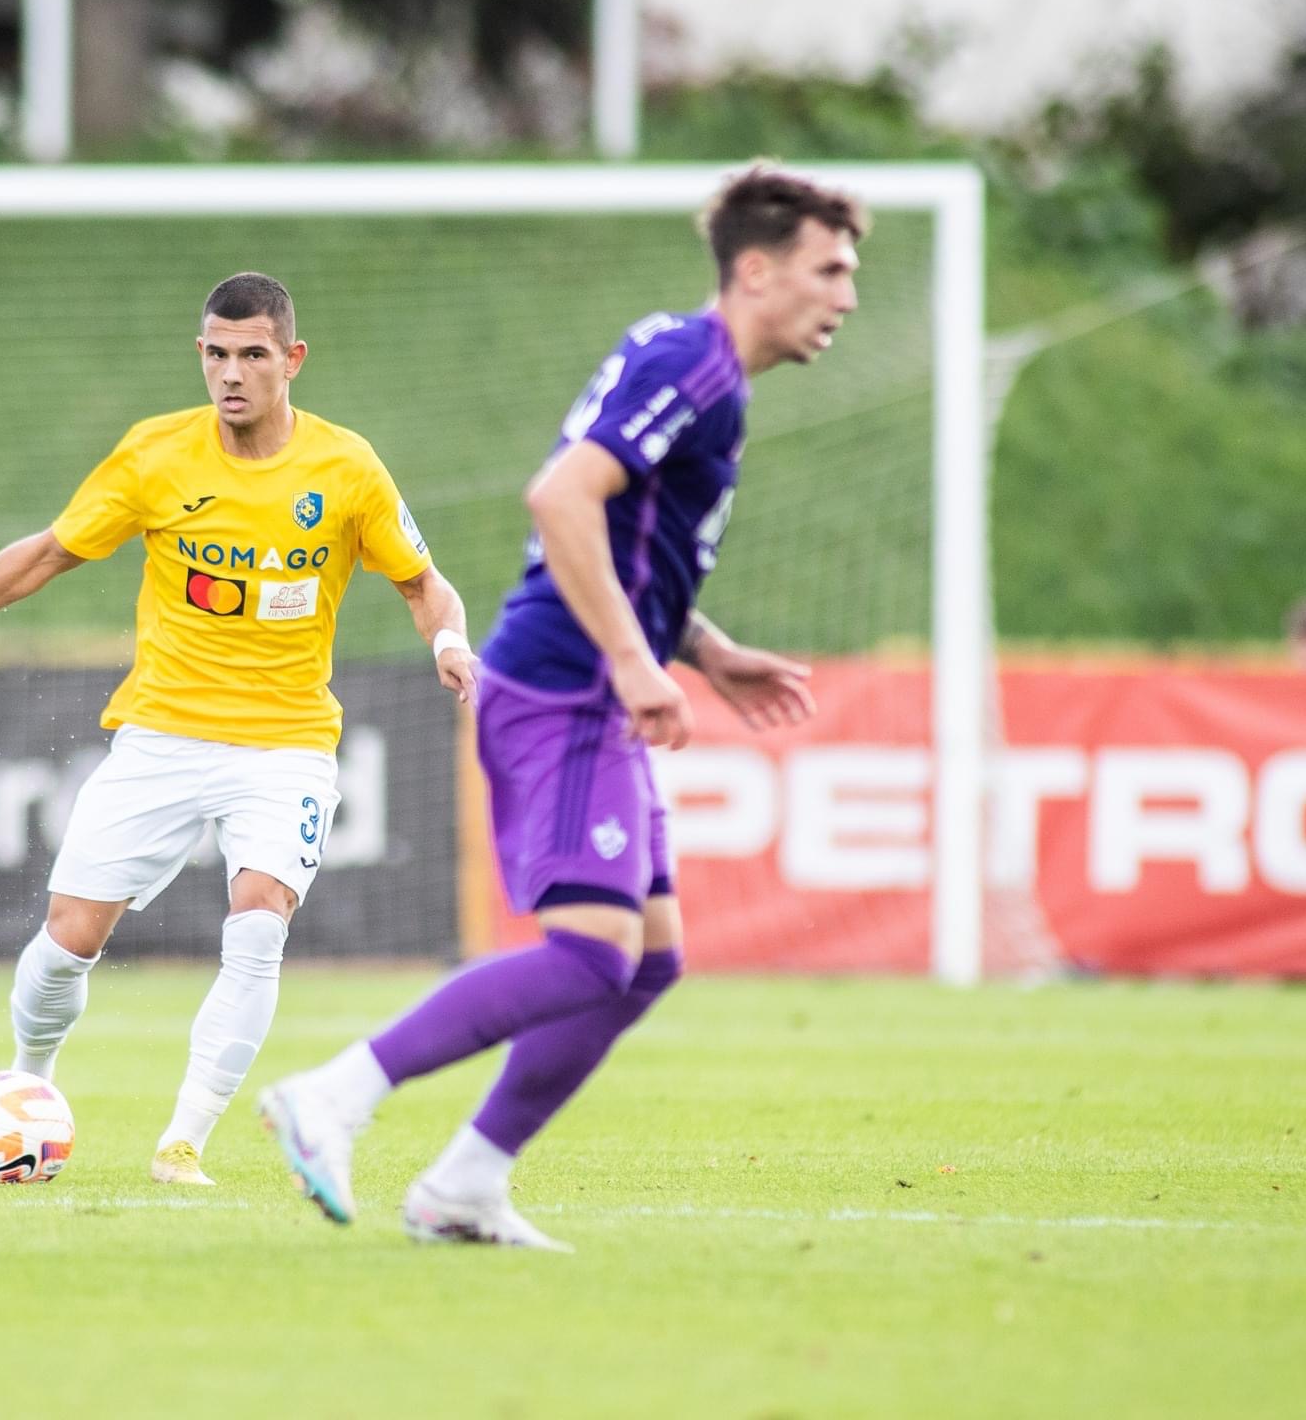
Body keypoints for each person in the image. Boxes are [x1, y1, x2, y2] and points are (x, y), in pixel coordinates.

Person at [260, 165, 861, 1248]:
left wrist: (702, 648)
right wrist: (635, 665)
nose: (845, 294)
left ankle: (464, 1184)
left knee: (648, 957)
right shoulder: (695, 362)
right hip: (568, 692)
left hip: (591, 684)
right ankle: (335, 1093)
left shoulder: (701, 365)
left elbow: (623, 542)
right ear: (758, 267)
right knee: (589, 952)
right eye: (829, 268)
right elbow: (559, 497)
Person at [0, 273, 474, 1185]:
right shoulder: (156, 456)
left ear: (292, 360)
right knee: (68, 939)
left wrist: (450, 641)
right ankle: (27, 1091)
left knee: (259, 924)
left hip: (287, 744)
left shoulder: (345, 468)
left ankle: (184, 1141)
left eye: (253, 355)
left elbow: (422, 581)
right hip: (163, 736)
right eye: (217, 354)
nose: (232, 373)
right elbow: (53, 550)